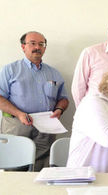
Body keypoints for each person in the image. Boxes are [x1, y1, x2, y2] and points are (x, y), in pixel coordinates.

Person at [0, 31, 69, 171]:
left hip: (46, 127)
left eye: (41, 44)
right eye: (32, 43)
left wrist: (59, 109)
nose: (37, 47)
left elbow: (63, 99)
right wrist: (19, 114)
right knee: (15, 166)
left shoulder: (54, 73)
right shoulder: (10, 70)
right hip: (17, 124)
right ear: (23, 46)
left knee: (41, 168)